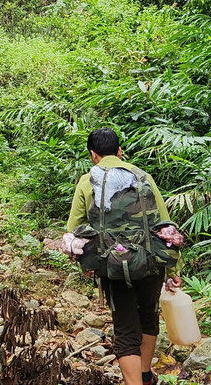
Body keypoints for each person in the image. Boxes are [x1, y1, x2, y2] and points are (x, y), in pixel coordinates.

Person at [65, 128, 181, 385]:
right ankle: (145, 375)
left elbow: (73, 230)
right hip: (150, 261)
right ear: (119, 151)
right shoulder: (143, 176)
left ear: (93, 155)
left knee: (126, 327)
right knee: (148, 316)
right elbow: (165, 226)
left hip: (113, 265)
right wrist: (174, 271)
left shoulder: (87, 181)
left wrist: (84, 261)